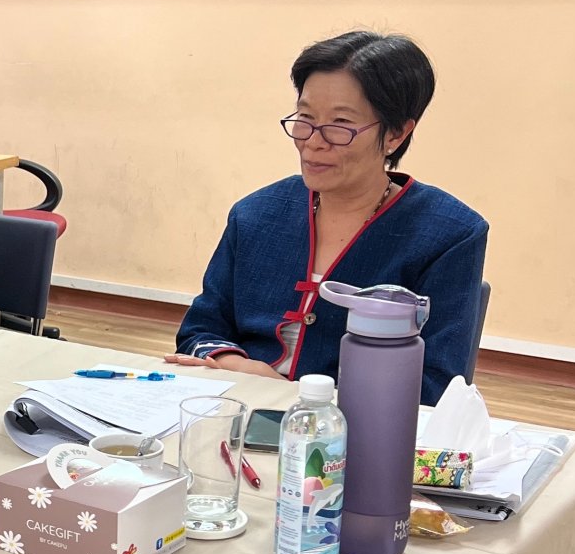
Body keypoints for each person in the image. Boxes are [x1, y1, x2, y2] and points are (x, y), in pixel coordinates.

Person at [173, 31, 487, 404]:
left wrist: (298, 397)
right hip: (239, 407)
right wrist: (240, 367)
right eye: (305, 118)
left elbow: (436, 386)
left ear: (396, 133)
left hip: (363, 423)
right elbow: (200, 330)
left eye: (339, 125)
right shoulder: (256, 214)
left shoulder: (450, 233)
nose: (313, 141)